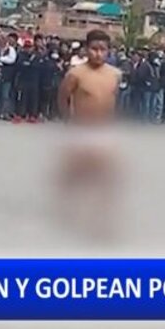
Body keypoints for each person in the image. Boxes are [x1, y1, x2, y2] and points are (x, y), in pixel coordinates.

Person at [57, 30, 122, 235]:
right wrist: (68, 120)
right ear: (86, 49)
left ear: (109, 51)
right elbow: (62, 97)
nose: (98, 54)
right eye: (94, 49)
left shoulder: (115, 74)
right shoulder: (75, 74)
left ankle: (100, 217)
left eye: (103, 49)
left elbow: (114, 99)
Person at [13, 40, 43, 123]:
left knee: (33, 98)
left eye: (29, 47)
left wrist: (28, 64)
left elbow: (38, 66)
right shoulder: (21, 55)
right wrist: (28, 64)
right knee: (21, 98)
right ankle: (19, 114)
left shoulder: (37, 55)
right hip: (23, 79)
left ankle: (32, 115)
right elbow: (19, 65)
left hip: (34, 80)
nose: (28, 49)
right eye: (26, 47)